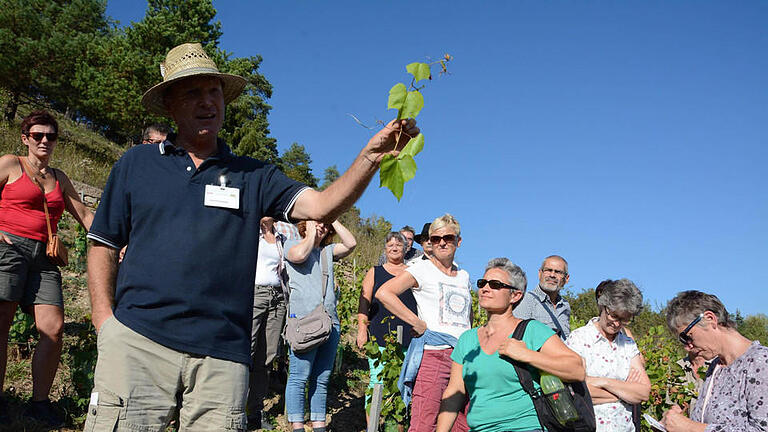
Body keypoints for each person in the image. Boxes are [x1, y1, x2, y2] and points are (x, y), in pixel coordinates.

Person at [84, 42, 419, 430]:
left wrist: (370, 157)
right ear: (171, 104)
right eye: (193, 91)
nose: (207, 101)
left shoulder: (254, 175)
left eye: (214, 91)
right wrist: (104, 321)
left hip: (222, 356)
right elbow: (103, 243)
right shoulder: (136, 163)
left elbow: (322, 205)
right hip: (137, 343)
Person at [0, 110, 94, 426]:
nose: (44, 141)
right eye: (38, 135)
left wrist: (120, 240)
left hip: (46, 258)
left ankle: (39, 404)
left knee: (53, 329)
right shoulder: (11, 163)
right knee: (2, 324)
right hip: (9, 249)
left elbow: (86, 215)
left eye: (50, 136)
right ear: (25, 138)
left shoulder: (59, 177)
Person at [436, 258, 585, 432]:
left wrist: (527, 355)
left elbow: (577, 369)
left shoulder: (532, 330)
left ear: (515, 295)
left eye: (495, 285)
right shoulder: (467, 340)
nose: (485, 288)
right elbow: (455, 392)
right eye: (482, 283)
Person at [376, 214, 472, 432]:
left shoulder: (463, 275)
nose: (441, 242)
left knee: (461, 423)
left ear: (458, 241)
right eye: (436, 238)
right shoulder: (421, 268)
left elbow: (468, 314)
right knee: (424, 421)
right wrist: (417, 322)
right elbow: (385, 293)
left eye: (448, 237)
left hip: (463, 359)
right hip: (435, 355)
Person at [284, 220, 355, 432]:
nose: (322, 227)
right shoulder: (291, 244)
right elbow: (298, 256)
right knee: (299, 375)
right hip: (304, 321)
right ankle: (297, 425)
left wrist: (331, 217)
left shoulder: (328, 252)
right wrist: (311, 235)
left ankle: (318, 425)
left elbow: (351, 243)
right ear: (305, 224)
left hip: (330, 321)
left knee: (322, 378)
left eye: (326, 226)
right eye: (318, 223)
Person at [661, 291, 768, 432]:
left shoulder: (760, 362)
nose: (688, 347)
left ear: (710, 319)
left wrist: (690, 427)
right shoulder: (716, 367)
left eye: (687, 337)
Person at [566, 279, 650, 432]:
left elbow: (643, 392)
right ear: (603, 306)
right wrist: (625, 392)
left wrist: (601, 381)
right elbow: (576, 392)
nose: (617, 324)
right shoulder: (579, 339)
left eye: (624, 320)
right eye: (614, 316)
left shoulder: (628, 344)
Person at [357, 232, 417, 416]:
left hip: (409, 339)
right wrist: (361, 329)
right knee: (377, 381)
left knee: (403, 385)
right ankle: (372, 426)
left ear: (406, 248)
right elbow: (364, 301)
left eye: (398, 244)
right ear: (385, 249)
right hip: (378, 335)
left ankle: (398, 425)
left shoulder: (413, 273)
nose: (394, 247)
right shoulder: (375, 272)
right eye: (390, 245)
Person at [247, 217, 292, 430]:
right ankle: (235, 407)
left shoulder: (283, 235)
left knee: (268, 356)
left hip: (278, 297)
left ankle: (255, 410)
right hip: (254, 294)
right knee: (247, 351)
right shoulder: (248, 229)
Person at [513, 255, 572, 340]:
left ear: (566, 279)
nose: (552, 275)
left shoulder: (565, 305)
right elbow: (517, 336)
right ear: (540, 273)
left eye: (558, 272)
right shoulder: (526, 300)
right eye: (548, 270)